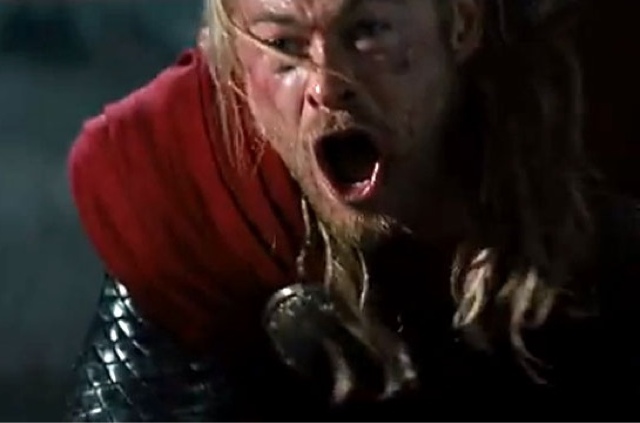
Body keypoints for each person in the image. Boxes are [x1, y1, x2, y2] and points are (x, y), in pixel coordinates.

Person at [64, 0, 639, 421]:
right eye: (284, 46)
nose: (327, 85)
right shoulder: (191, 188)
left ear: (461, 24)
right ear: (234, 59)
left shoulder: (594, 117)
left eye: (367, 32)